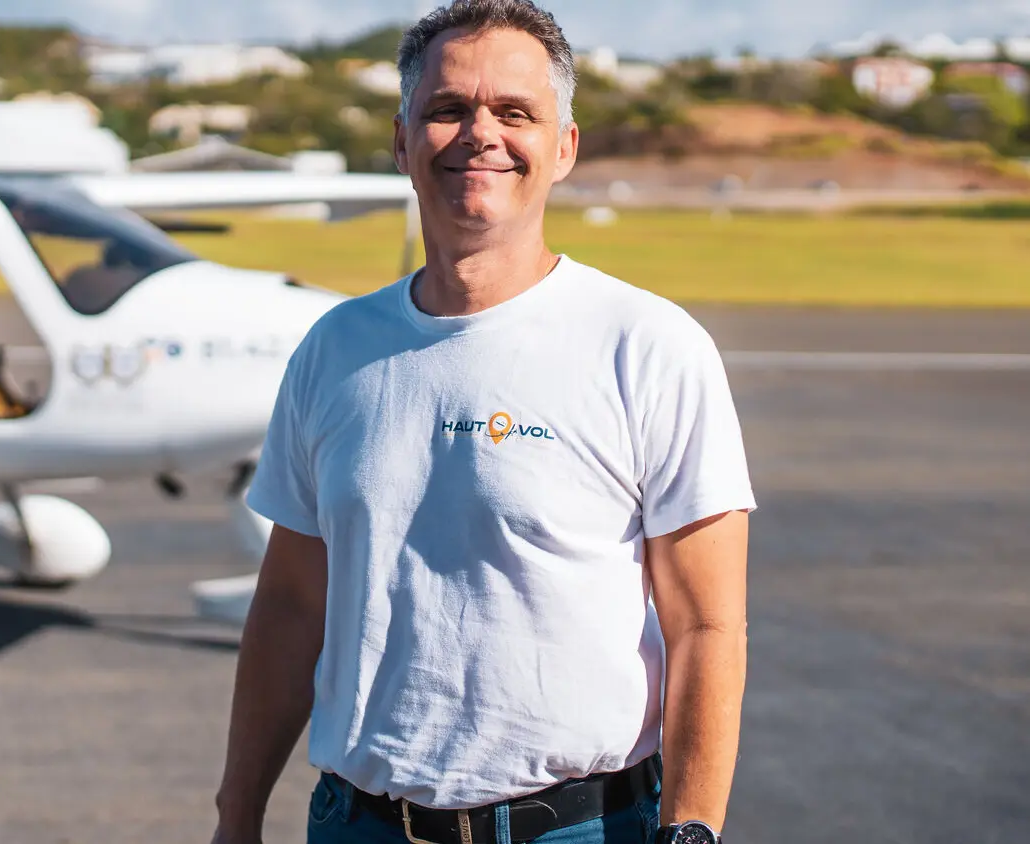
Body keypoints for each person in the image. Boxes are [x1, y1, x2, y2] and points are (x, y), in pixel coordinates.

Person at [210, 2, 756, 843]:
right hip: (360, 824)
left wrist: (693, 831)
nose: (479, 134)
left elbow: (706, 627)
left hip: (581, 828)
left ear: (564, 147)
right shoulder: (333, 350)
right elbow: (288, 605)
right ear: (401, 141)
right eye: (447, 109)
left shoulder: (648, 347)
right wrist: (236, 816)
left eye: (514, 112)